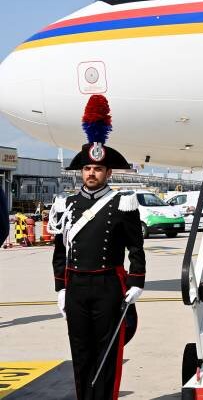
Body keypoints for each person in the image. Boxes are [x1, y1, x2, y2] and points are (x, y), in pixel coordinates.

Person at [49, 94, 145, 400]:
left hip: (108, 285)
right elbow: (60, 251)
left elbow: (136, 246)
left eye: (98, 169)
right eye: (88, 168)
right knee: (80, 352)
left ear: (108, 173)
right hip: (76, 285)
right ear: (81, 171)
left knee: (108, 352)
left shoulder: (122, 203)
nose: (92, 173)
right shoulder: (66, 204)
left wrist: (136, 281)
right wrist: (61, 288)